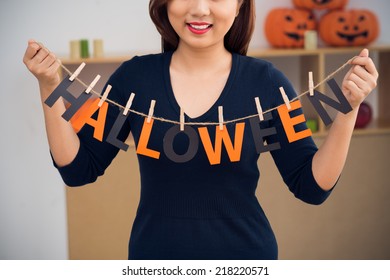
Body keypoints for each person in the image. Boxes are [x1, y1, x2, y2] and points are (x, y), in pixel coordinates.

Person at [23, 0, 378, 260]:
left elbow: (311, 187)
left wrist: (347, 109)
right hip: (154, 260)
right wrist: (49, 84)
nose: (200, 8)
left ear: (239, 5)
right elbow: (78, 170)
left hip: (247, 260)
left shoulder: (266, 83)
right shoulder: (135, 79)